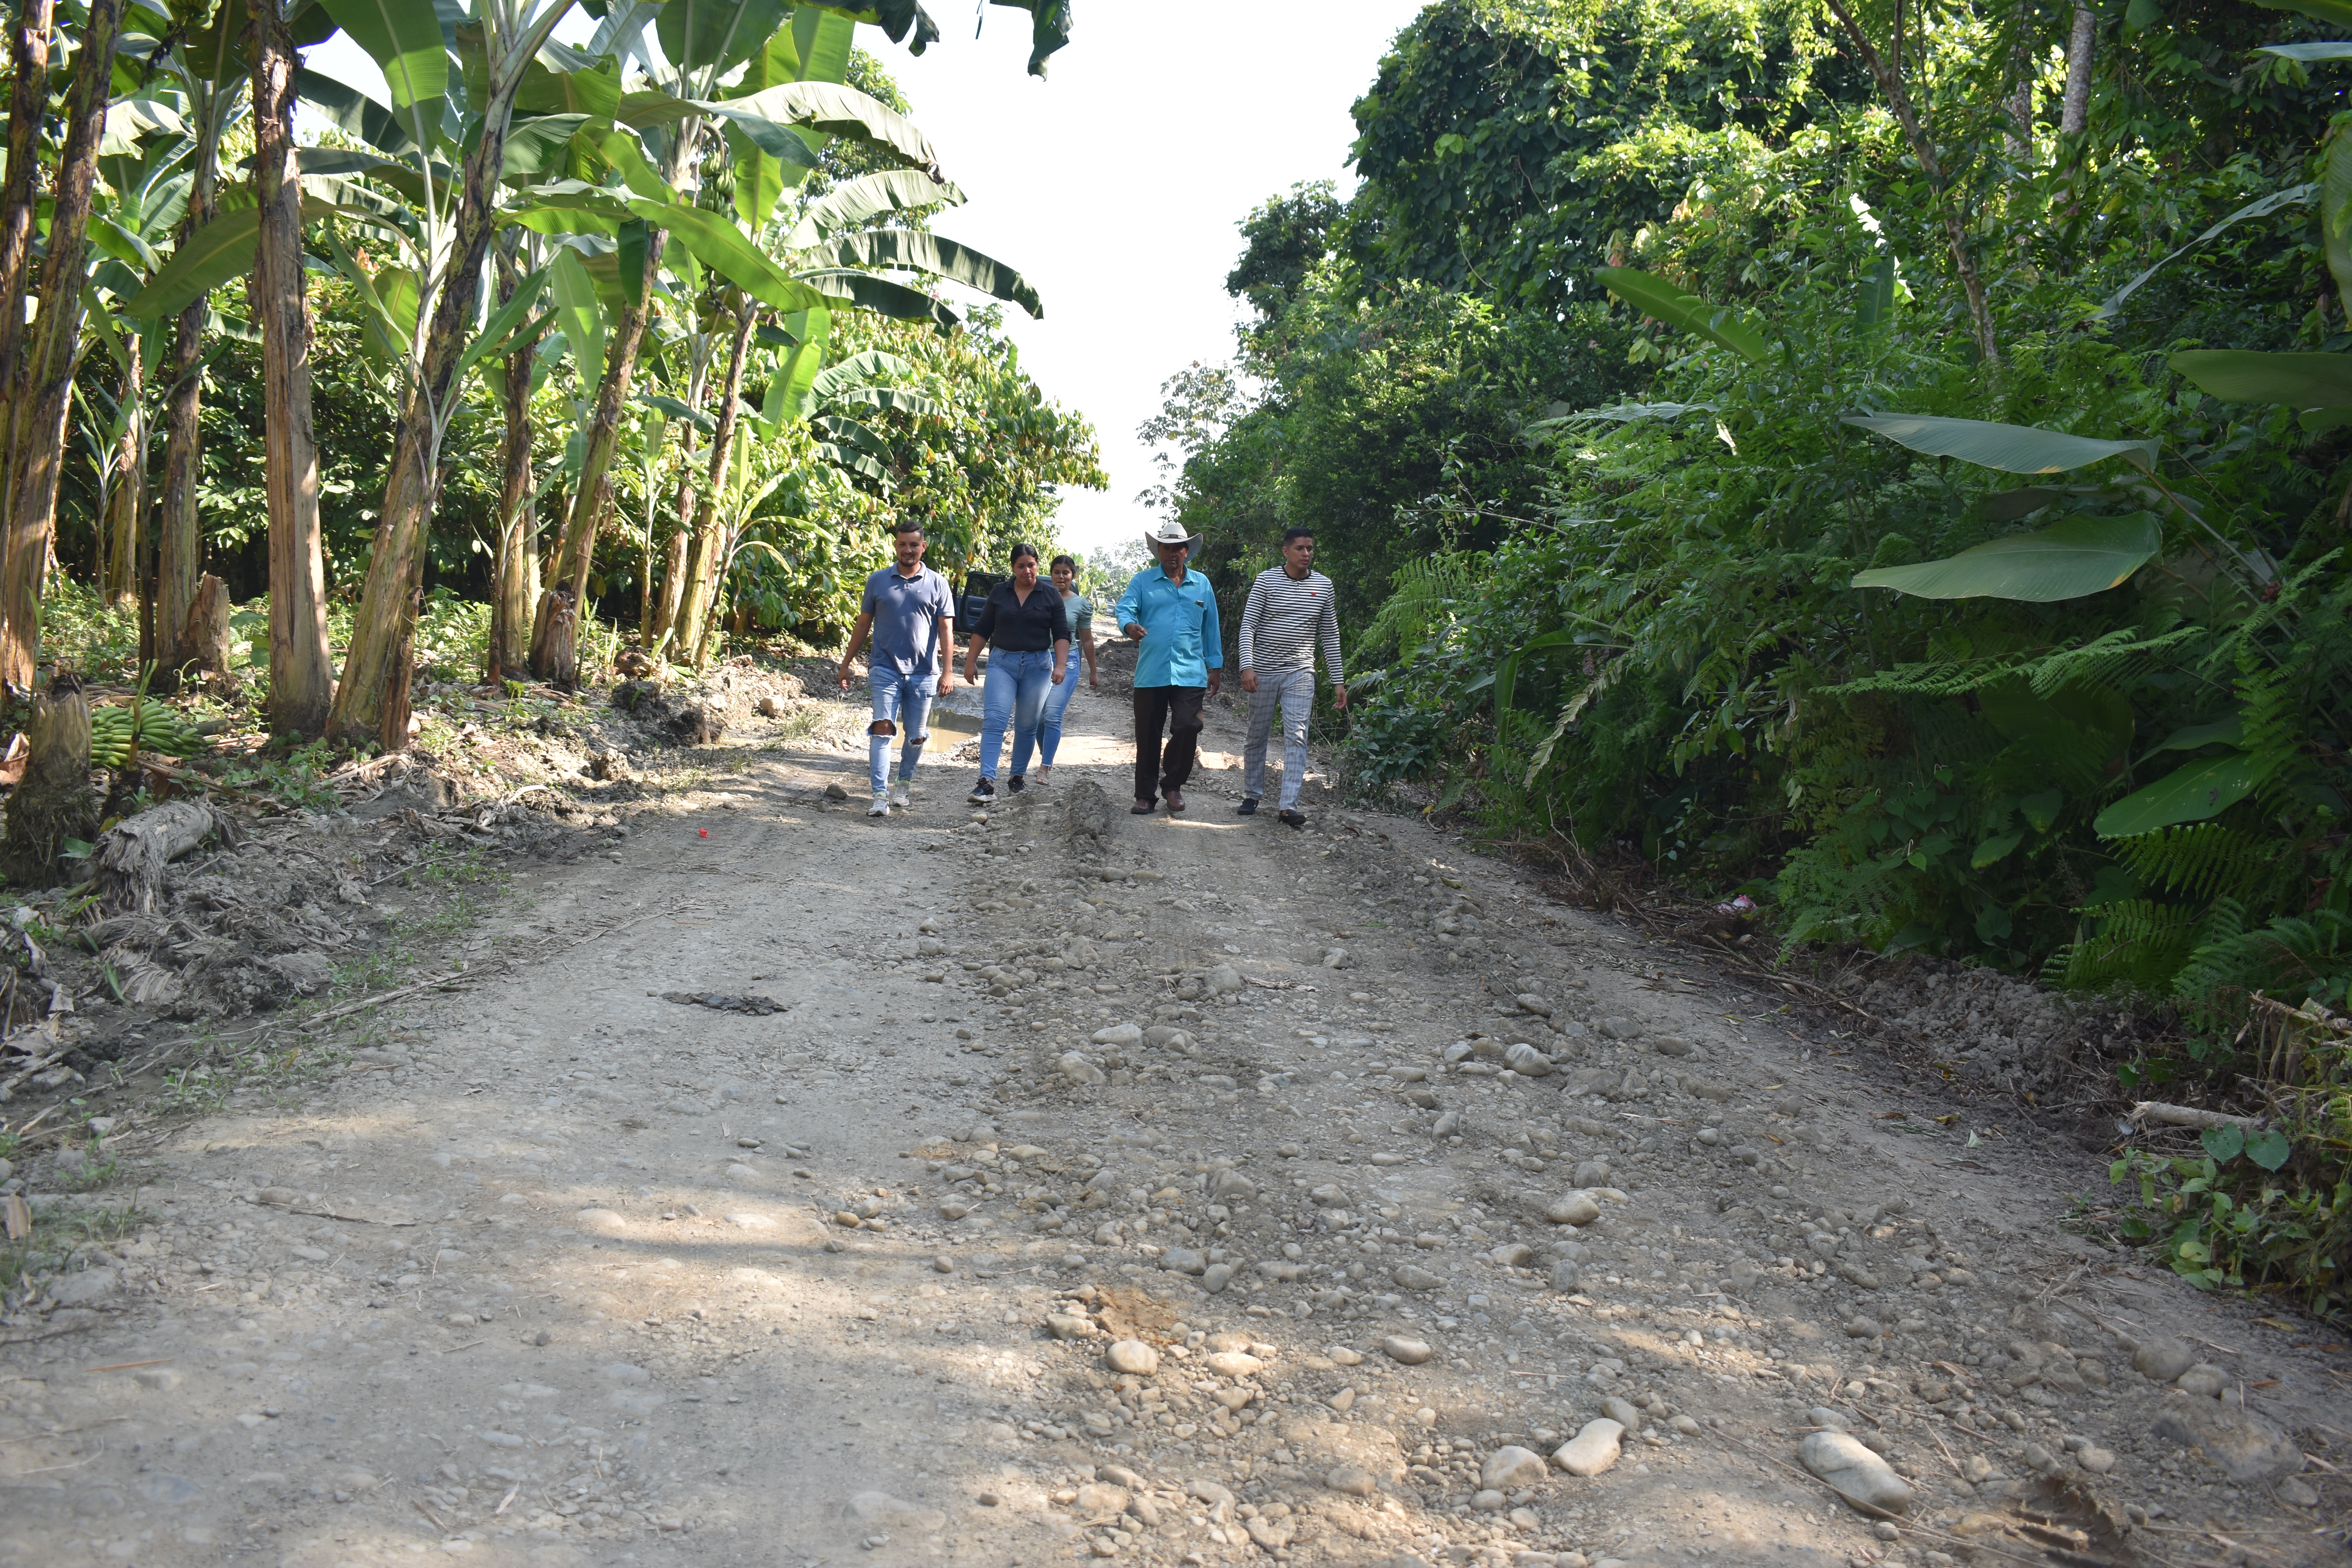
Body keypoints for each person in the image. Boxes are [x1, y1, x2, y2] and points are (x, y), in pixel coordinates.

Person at [835, 521, 955, 818]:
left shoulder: (938, 583)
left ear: (923, 547)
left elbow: (946, 630)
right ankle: (879, 795)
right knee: (882, 729)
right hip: (884, 668)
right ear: (896, 546)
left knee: (916, 736)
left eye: (914, 545)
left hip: (923, 673)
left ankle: (903, 785)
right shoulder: (878, 581)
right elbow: (863, 624)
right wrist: (846, 664)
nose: (908, 550)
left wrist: (948, 672)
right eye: (903, 544)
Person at [1238, 525, 1347, 829]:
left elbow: (1330, 635)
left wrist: (1338, 681)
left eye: (1310, 548)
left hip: (1300, 671)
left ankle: (1288, 806)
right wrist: (1247, 666)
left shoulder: (1323, 586)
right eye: (1300, 548)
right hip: (1263, 670)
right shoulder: (1266, 581)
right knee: (1257, 734)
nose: (1306, 553)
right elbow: (1248, 626)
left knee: (1297, 736)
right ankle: (1252, 795)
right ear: (1286, 551)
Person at [1113, 519, 1221, 815]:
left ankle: (1173, 786)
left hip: (1191, 672)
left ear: (1187, 551)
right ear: (1159, 551)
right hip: (1152, 672)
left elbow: (1211, 627)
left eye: (1178, 548)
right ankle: (1145, 796)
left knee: (1188, 726)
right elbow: (1125, 608)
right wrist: (1130, 626)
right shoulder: (1143, 581)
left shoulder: (1202, 584)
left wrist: (1215, 666)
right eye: (1166, 548)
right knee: (1148, 735)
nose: (1172, 553)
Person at [961, 542, 1071, 804]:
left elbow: (1062, 632)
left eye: (1031, 565)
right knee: (995, 720)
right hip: (1002, 663)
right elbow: (983, 628)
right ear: (1013, 568)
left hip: (1038, 667)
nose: (1027, 571)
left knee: (1027, 724)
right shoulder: (1000, 592)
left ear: (1037, 565)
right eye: (1021, 566)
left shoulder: (1050, 594)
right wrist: (970, 661)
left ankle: (1017, 777)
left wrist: (1061, 665)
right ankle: (986, 782)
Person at [1033, 553, 1100, 786]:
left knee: (1052, 714)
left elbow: (1087, 640)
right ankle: (1047, 754)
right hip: (1038, 659)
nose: (1061, 577)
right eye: (1057, 572)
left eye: (1066, 573)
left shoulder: (1081, 605)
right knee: (1037, 717)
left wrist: (1093, 672)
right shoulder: (1038, 597)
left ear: (1073, 576)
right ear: (1051, 574)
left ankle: (1045, 768)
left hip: (1068, 661)